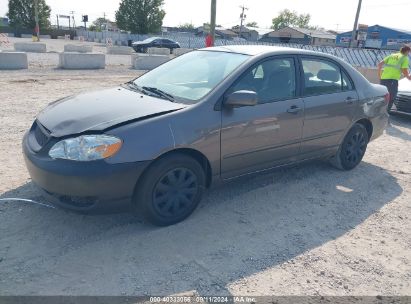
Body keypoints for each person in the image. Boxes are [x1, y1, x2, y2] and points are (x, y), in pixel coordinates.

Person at [378, 45, 411, 112]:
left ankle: (377, 110)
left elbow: (379, 64)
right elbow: (404, 70)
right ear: (407, 51)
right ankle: (385, 113)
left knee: (382, 95)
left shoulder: (392, 55)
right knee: (391, 97)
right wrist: (408, 77)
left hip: (383, 78)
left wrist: (380, 75)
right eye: (409, 52)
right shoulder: (404, 58)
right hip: (392, 80)